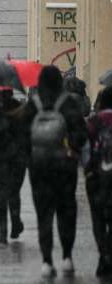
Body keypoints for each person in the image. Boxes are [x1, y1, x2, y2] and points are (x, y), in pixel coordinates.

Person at [28, 65, 88, 278]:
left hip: (39, 167)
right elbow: (81, 133)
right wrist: (72, 149)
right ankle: (67, 257)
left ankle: (46, 260)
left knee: (43, 214)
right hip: (64, 167)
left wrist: (30, 157)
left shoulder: (34, 104)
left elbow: (22, 136)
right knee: (66, 211)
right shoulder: (67, 103)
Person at [0, 90, 32, 245]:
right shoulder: (20, 108)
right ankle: (15, 223)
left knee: (1, 193)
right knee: (14, 192)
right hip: (17, 156)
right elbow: (28, 133)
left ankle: (3, 231)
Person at [86, 87, 112, 278]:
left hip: (97, 177)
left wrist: (87, 171)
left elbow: (85, 149)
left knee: (98, 219)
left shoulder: (95, 121)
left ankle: (104, 255)